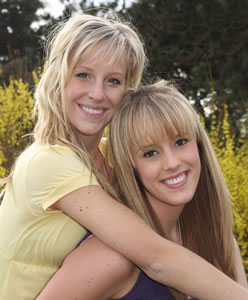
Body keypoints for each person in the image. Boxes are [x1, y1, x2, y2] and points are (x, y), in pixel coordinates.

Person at [0, 13, 247, 300]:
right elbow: (156, 258)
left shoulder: (109, 155)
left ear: (126, 90)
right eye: (83, 75)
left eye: (113, 81)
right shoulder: (49, 162)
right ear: (59, 76)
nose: (97, 93)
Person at [37, 80, 248, 300]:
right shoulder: (110, 257)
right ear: (131, 166)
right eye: (150, 153)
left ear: (199, 145)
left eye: (180, 142)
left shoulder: (216, 238)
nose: (172, 163)